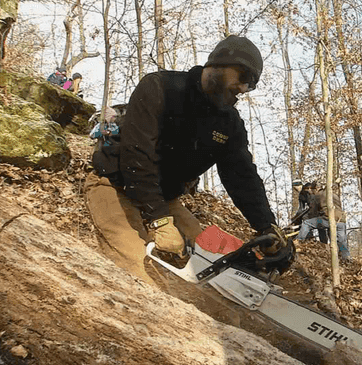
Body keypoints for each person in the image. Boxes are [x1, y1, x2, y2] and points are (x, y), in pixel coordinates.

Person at [84, 35, 288, 284]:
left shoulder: (229, 123)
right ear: (219, 63)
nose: (243, 88)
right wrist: (159, 220)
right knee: (140, 272)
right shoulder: (161, 88)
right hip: (115, 185)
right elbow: (137, 157)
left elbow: (242, 176)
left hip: (166, 199)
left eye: (251, 85)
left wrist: (268, 227)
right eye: (243, 78)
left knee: (216, 266)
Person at [294, 186, 350, 262]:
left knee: (306, 223)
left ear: (315, 189)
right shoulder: (334, 194)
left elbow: (313, 212)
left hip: (328, 219)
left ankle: (298, 241)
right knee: (342, 240)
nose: (311, 192)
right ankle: (346, 258)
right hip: (341, 220)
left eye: (312, 190)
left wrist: (309, 216)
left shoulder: (318, 195)